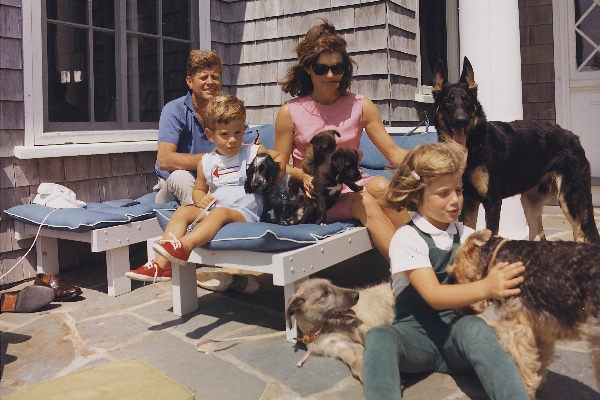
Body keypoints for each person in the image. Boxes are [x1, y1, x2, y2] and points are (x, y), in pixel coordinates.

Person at [362, 141, 529, 400]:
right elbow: (433, 295)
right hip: (414, 339)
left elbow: (501, 256)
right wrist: (486, 287)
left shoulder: (466, 236)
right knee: (379, 337)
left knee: (476, 328)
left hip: (455, 336)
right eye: (443, 193)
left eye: (459, 191)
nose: (455, 201)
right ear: (416, 197)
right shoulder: (407, 238)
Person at [274, 19, 409, 260]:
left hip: (352, 185)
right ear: (308, 68)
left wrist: (435, 165)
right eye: (321, 68)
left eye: (337, 68)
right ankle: (411, 274)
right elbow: (279, 166)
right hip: (316, 196)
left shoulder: (361, 106)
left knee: (380, 186)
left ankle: (427, 258)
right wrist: (303, 176)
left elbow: (394, 154)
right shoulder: (289, 112)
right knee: (364, 201)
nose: (330, 75)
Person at [127, 94, 286, 284]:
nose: (233, 140)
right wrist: (200, 197)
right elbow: (199, 189)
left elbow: (279, 157)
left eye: (238, 133)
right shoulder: (207, 161)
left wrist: (272, 179)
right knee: (183, 211)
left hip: (244, 213)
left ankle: (184, 247)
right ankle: (161, 266)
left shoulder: (252, 152)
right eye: (224, 134)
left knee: (219, 213)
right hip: (213, 209)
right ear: (211, 135)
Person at [154, 50, 257, 205]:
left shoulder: (226, 111)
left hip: (215, 183)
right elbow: (165, 160)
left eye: (215, 76)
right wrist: (215, 158)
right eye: (203, 77)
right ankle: (202, 221)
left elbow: (252, 147)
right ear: (189, 81)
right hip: (173, 186)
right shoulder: (174, 109)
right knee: (181, 176)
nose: (210, 82)